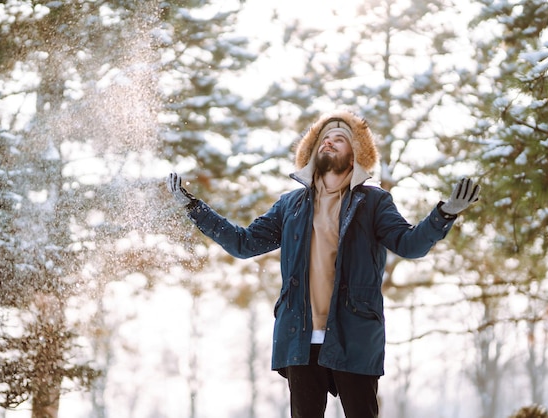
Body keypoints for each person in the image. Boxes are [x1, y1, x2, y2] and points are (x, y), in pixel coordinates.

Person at [167, 110, 480, 418]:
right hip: (299, 337)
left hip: (354, 335)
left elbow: (409, 245)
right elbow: (243, 244)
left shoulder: (374, 202)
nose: (329, 142)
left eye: (340, 138)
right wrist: (195, 209)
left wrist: (444, 214)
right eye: (325, 138)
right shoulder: (289, 205)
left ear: (355, 153)